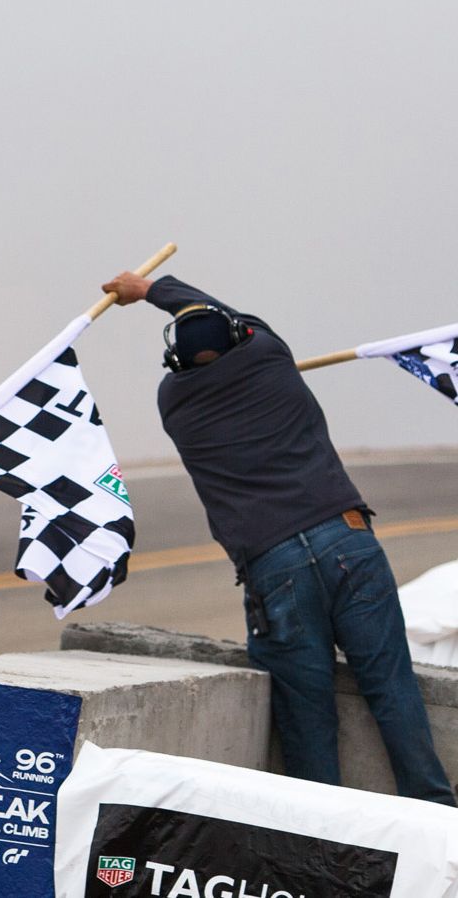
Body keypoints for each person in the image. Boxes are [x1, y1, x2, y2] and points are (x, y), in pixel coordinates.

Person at [102, 269, 456, 807]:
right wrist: (151, 289)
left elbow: (219, 335)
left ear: (176, 362)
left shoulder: (175, 404)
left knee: (305, 714)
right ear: (239, 337)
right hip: (347, 539)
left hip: (274, 567)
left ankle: (321, 839)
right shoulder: (269, 357)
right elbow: (227, 316)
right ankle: (436, 816)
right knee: (391, 686)